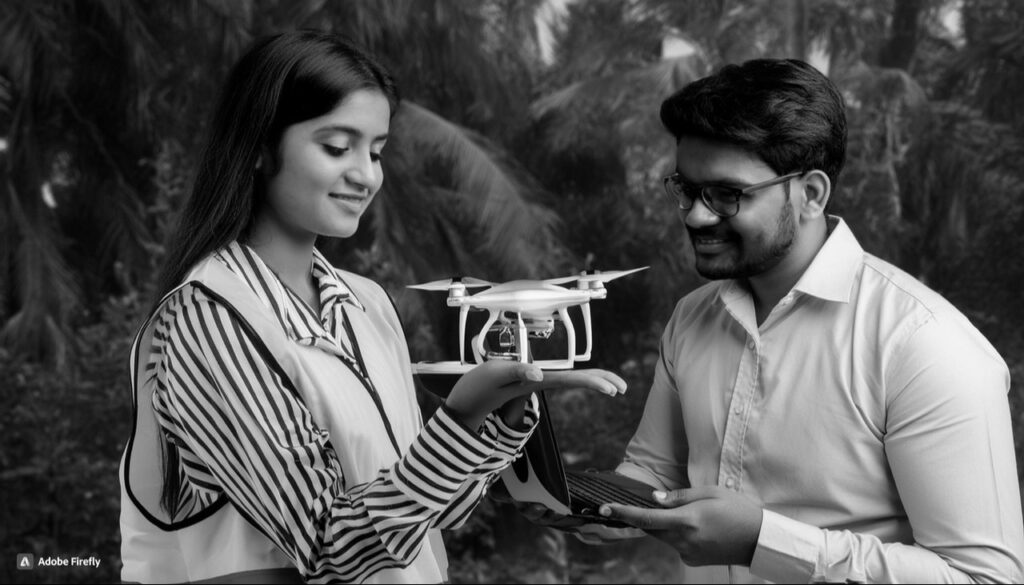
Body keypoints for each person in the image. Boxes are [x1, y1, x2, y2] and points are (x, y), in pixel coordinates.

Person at [117, 30, 627, 584]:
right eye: (337, 148)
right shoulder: (204, 321)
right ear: (260, 148)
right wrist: (459, 418)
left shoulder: (367, 304)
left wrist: (499, 414)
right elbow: (329, 546)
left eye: (376, 151)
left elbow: (430, 515)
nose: (366, 175)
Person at [528, 58, 1024, 583]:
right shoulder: (692, 318)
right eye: (686, 188)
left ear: (811, 194)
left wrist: (760, 542)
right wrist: (590, 503)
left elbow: (984, 577)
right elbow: (655, 474)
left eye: (726, 194)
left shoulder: (924, 345)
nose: (695, 215)